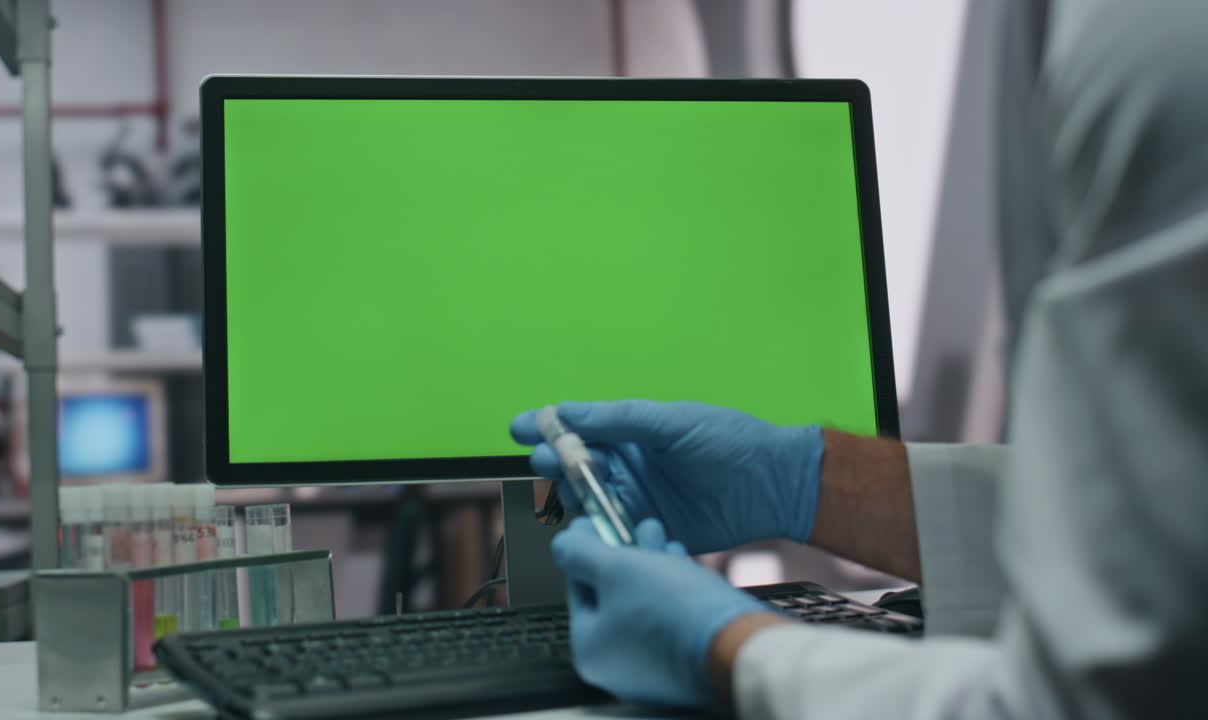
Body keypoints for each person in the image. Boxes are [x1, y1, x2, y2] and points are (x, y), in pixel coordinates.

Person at [509, 2, 1208, 717]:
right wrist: (802, 484)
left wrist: (729, 649)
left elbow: (1104, 695)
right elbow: (1158, 533)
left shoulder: (1157, 37)